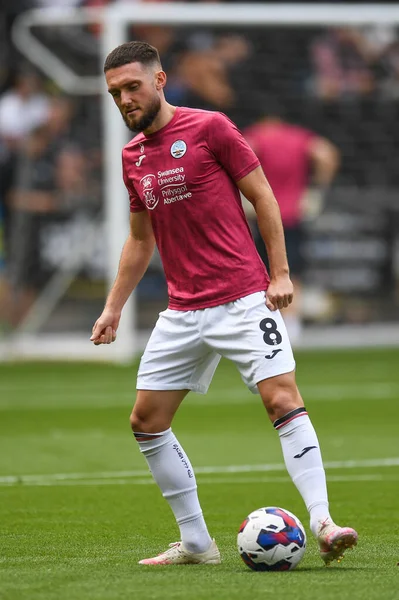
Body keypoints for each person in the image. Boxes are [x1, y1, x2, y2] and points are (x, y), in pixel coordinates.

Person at [91, 41, 357, 566]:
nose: (124, 99)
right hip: (183, 310)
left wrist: (279, 273)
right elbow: (141, 239)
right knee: (145, 420)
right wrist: (113, 307)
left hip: (242, 299)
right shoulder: (132, 157)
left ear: (160, 80)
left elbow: (263, 197)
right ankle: (196, 542)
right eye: (115, 92)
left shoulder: (210, 127)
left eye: (132, 87)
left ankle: (323, 521)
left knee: (282, 399)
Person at [244, 111, 340, 344]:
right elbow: (327, 154)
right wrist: (316, 189)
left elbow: (240, 157)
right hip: (294, 214)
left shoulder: (257, 136)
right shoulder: (299, 137)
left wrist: (242, 195)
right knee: (291, 270)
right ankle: (291, 325)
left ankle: (269, 325)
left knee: (262, 273)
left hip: (264, 216)